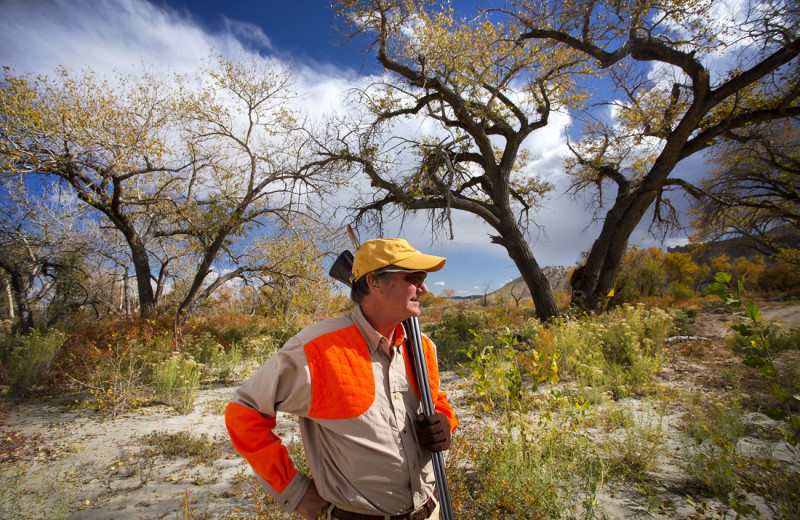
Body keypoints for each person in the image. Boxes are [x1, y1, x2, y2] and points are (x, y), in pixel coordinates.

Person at [225, 238, 458, 520]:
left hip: (430, 511)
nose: (424, 288)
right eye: (415, 278)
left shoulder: (422, 346)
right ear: (375, 283)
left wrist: (445, 420)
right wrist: (293, 490)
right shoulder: (316, 348)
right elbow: (243, 412)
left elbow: (435, 399)